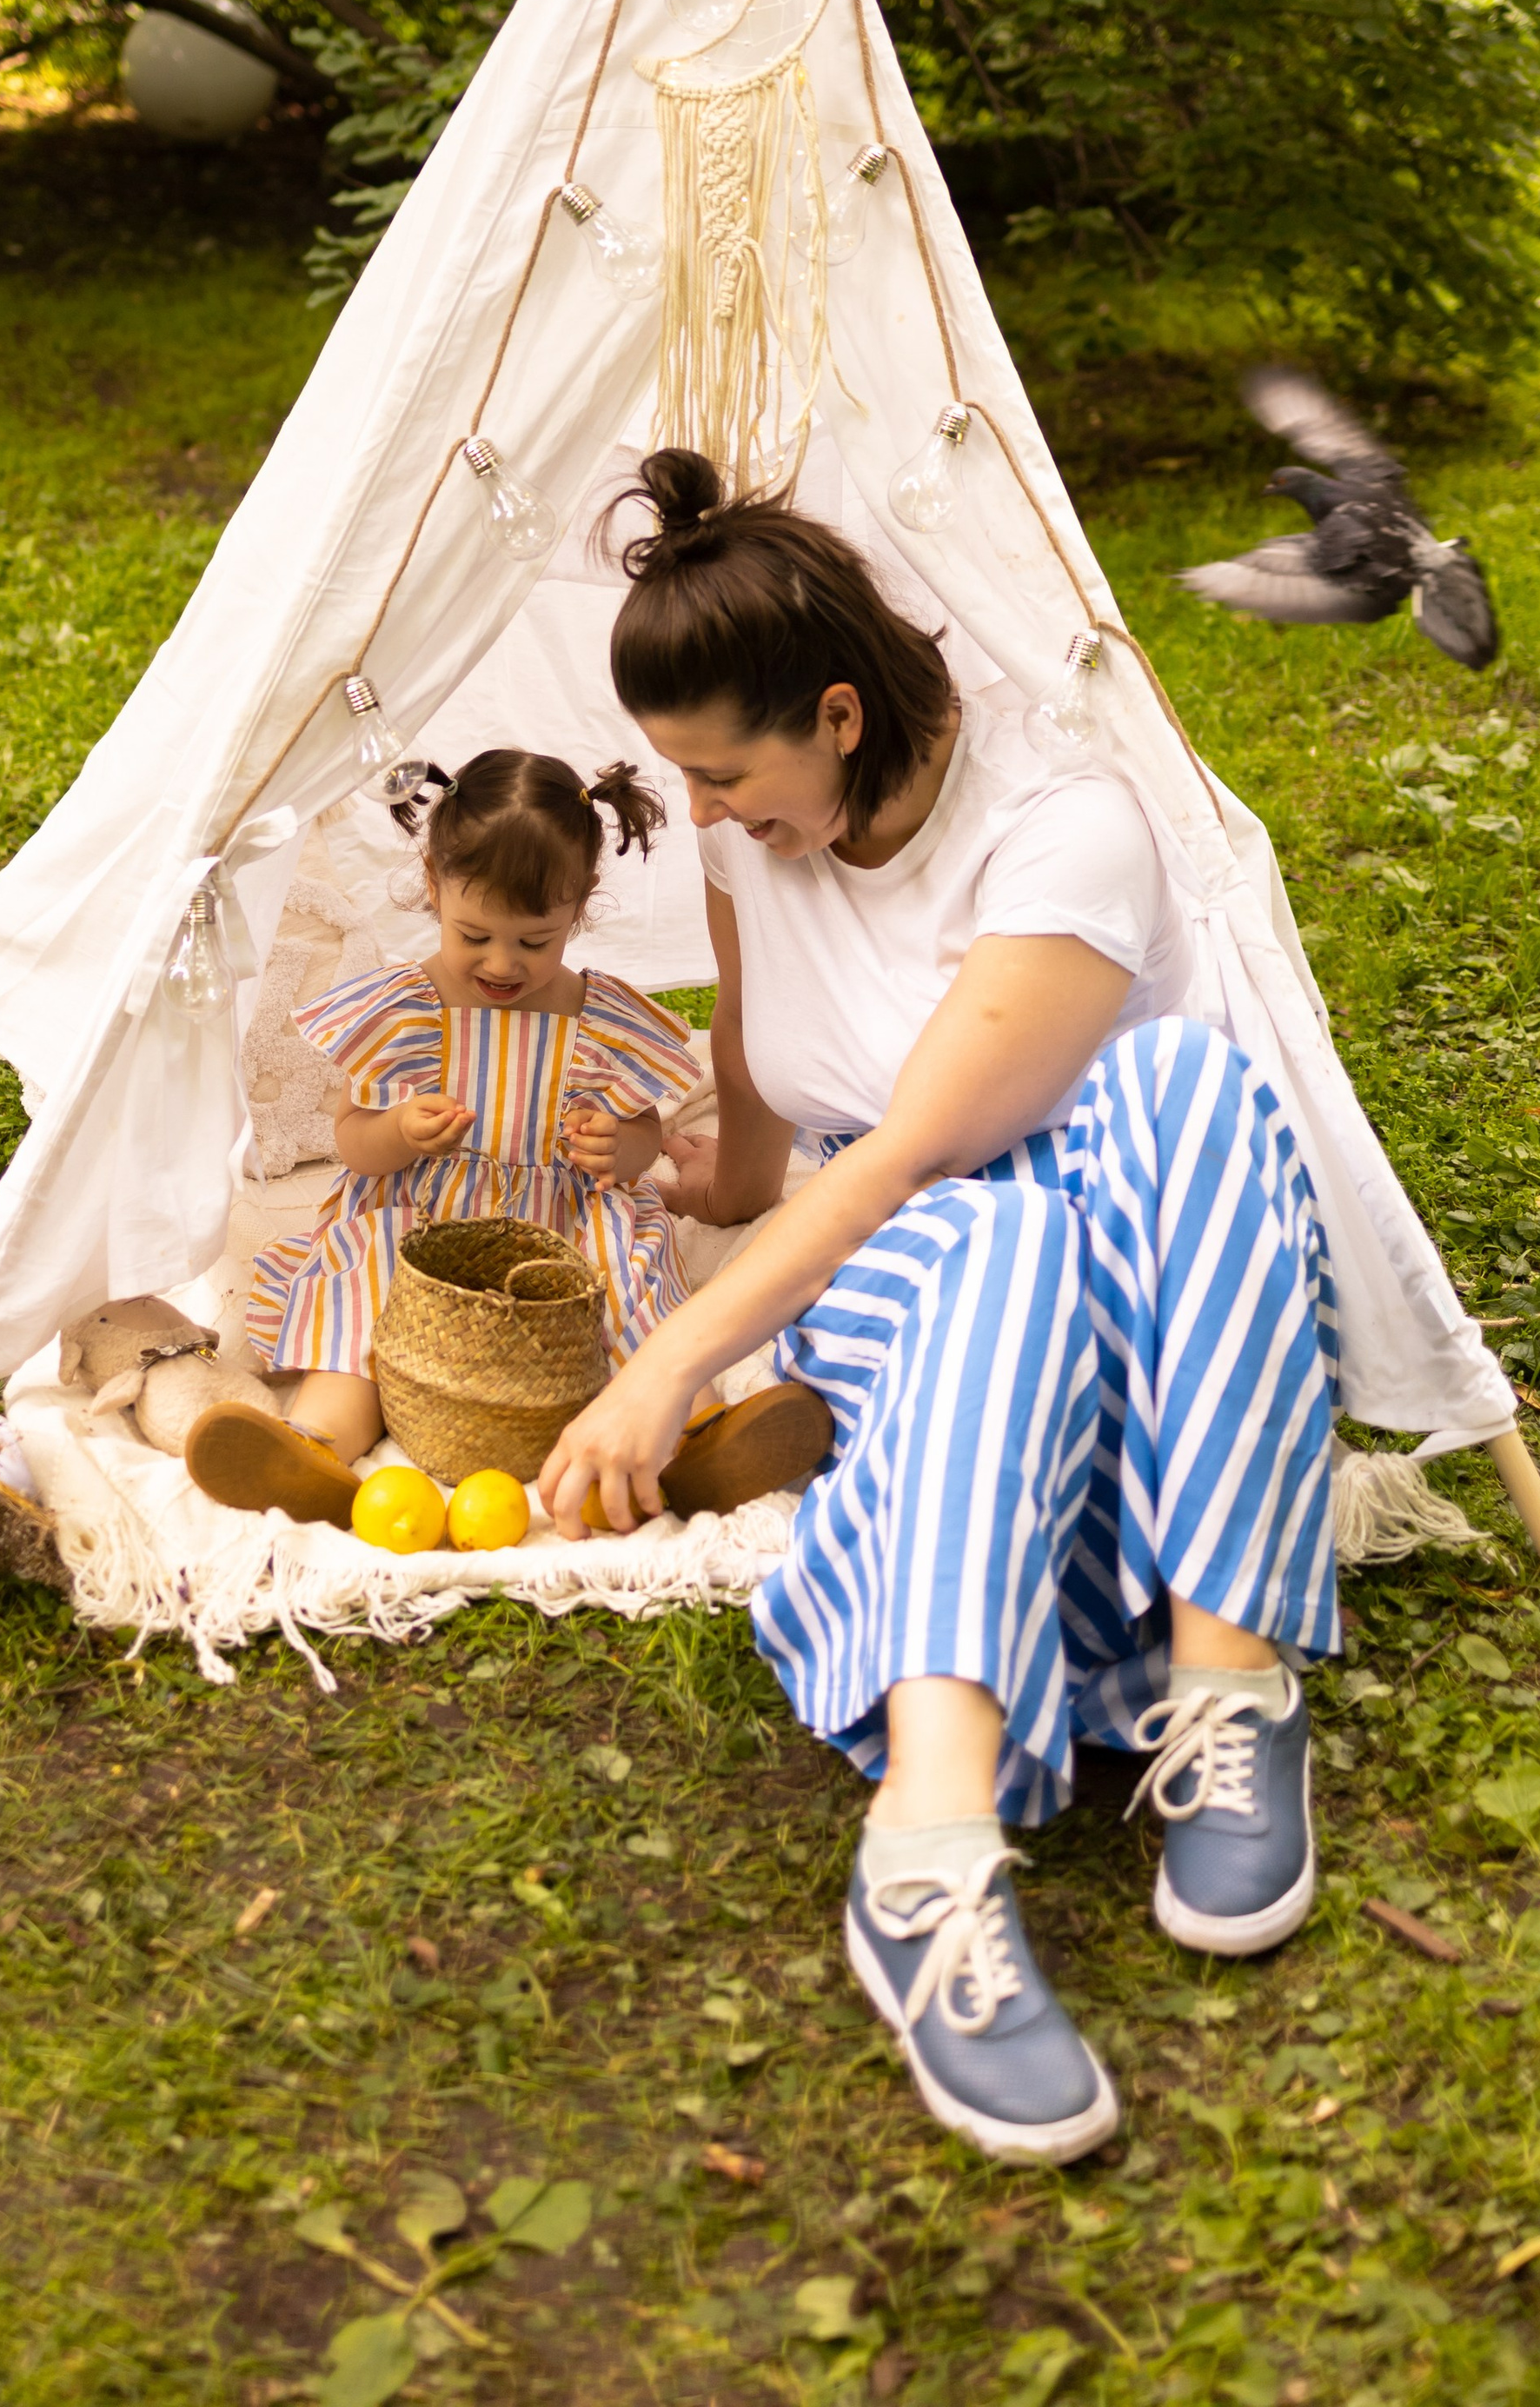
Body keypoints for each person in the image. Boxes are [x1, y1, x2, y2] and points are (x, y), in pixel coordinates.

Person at [537, 451, 1341, 2167]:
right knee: (992, 1251)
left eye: (719, 772)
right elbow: (766, 1104)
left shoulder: (1063, 826)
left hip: (1113, 1276)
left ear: (834, 715)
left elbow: (915, 1146)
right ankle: (925, 1853)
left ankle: (1225, 1677)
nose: (698, 816)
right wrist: (698, 1192)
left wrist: (668, 1365)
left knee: (1188, 1092)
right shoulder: (761, 854)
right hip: (934, 1273)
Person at [186, 748, 709, 1531]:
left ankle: (695, 1434)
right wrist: (397, 1131)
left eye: (537, 942)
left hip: (559, 1225)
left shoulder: (595, 1016)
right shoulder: (406, 1010)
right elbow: (354, 1144)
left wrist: (621, 1148)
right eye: (476, 935)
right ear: (432, 888)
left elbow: (643, 1133)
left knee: (627, 1279)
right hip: (424, 1219)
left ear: (580, 906)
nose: (504, 964)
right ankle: (320, 1446)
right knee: (363, 1277)